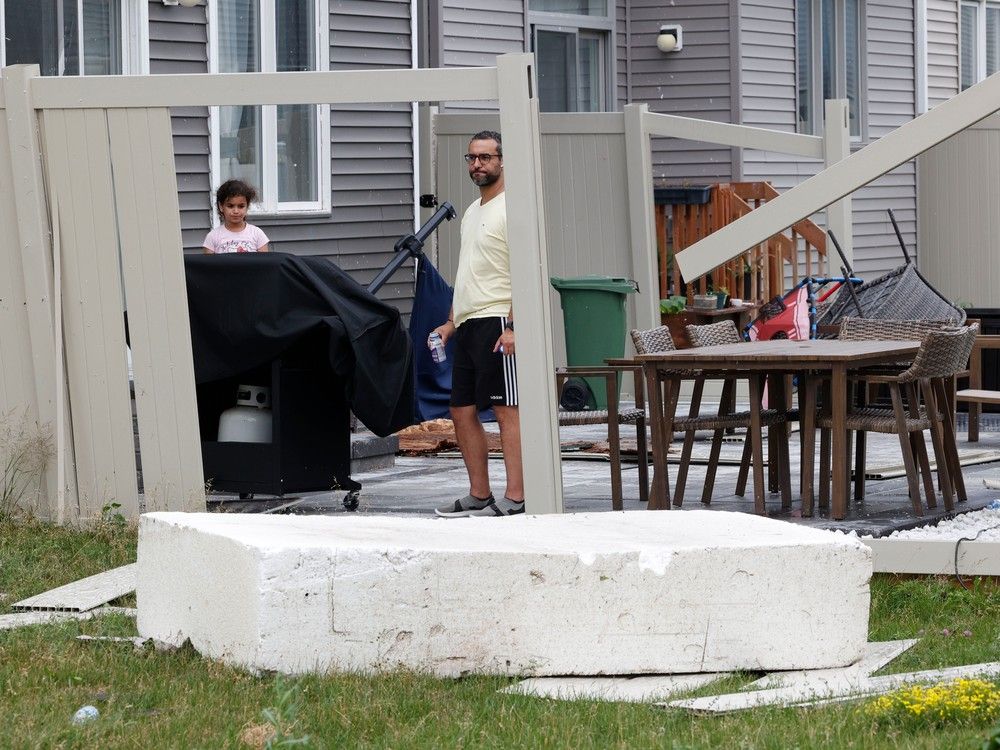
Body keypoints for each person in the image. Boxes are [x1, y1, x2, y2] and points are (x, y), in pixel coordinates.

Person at [432, 130, 524, 518]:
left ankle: (517, 497)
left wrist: (516, 326)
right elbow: (468, 272)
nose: (477, 165)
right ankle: (479, 494)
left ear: (502, 160)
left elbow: (525, 270)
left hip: (498, 321)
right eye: (471, 158)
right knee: (461, 410)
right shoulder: (473, 211)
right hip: (468, 323)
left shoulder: (513, 208)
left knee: (506, 411)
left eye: (485, 157)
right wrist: (451, 323)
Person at [202, 179, 270, 254]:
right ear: (221, 206)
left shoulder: (258, 234)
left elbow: (264, 264)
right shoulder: (212, 237)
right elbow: (208, 265)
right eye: (230, 206)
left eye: (241, 206)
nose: (236, 211)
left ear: (247, 207)